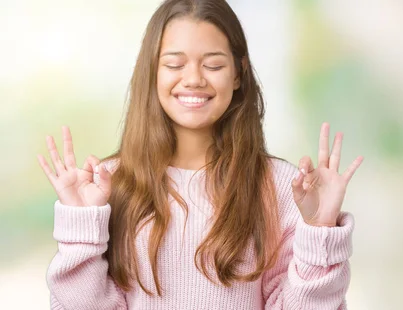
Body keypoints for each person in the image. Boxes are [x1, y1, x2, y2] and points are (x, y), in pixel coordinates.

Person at [37, 0, 363, 309]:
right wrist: (80, 228)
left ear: (238, 73)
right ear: (152, 72)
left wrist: (320, 229)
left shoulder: (282, 189)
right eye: (174, 64)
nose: (193, 79)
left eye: (213, 64)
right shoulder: (108, 185)